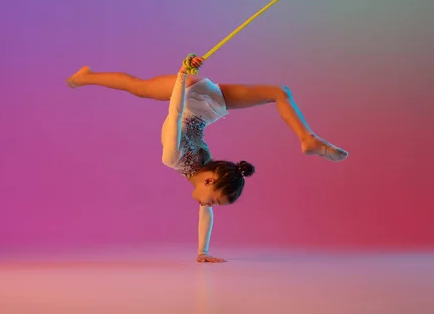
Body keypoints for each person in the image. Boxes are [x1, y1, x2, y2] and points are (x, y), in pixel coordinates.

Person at [67, 56, 348, 263]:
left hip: (214, 104)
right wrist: (181, 75)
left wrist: (202, 252)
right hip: (191, 94)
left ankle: (308, 138)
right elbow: (175, 114)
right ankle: (86, 77)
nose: (208, 205)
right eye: (213, 200)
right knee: (137, 86)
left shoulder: (205, 167)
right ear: (210, 180)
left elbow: (205, 212)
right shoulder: (173, 158)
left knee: (279, 92)